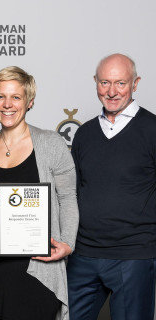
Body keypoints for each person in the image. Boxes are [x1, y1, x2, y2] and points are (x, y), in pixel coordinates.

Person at [0, 66, 79, 320]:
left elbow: (68, 198)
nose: (7, 104)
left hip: (35, 268)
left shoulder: (51, 143)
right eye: (0, 96)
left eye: (16, 97)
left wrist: (67, 243)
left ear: (30, 102)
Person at [67, 53, 156, 320]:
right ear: (95, 82)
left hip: (134, 256)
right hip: (83, 254)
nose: (112, 91)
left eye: (120, 83)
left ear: (135, 83)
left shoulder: (152, 130)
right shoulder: (85, 133)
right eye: (105, 82)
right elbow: (73, 191)